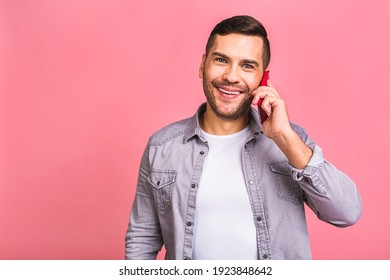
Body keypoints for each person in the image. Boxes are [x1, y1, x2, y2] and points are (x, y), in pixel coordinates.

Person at [125, 15, 362, 260]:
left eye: (247, 66)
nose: (231, 76)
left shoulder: (291, 141)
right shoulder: (162, 146)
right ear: (202, 65)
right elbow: (142, 238)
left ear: (263, 78)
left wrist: (284, 138)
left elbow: (347, 213)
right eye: (221, 60)